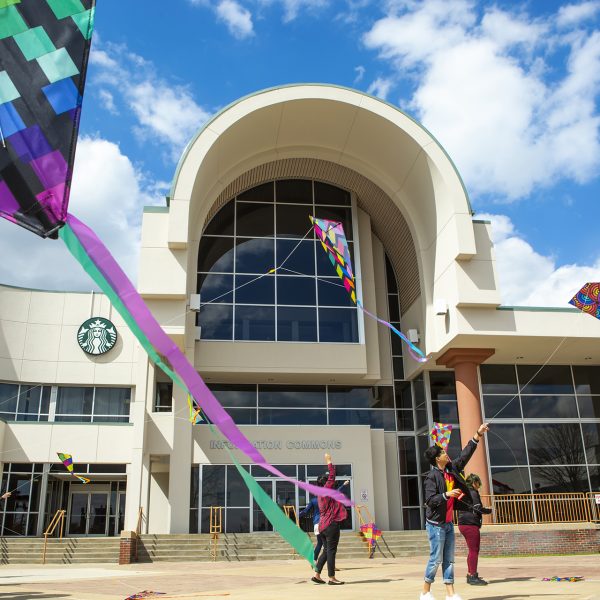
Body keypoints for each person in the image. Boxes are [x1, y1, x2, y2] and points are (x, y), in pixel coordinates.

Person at [420, 423, 489, 600]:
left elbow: (465, 455)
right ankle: (425, 591)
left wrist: (477, 435)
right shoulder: (431, 477)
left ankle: (450, 593)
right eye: (442, 453)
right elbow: (429, 501)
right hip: (435, 525)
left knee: (449, 559)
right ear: (437, 459)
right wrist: (446, 494)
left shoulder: (451, 469)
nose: (446, 454)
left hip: (449, 523)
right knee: (436, 559)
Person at [311, 453, 347, 585]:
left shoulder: (320, 495)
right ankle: (331, 578)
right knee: (331, 551)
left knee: (326, 551)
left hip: (323, 526)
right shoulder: (326, 490)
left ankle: (317, 575)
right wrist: (329, 461)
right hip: (331, 525)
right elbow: (332, 475)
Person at [299, 478, 350, 562]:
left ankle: (314, 561)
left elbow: (305, 511)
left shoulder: (314, 500)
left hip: (317, 524)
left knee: (320, 543)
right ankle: (329, 565)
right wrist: (344, 485)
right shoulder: (328, 499)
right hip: (327, 523)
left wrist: (297, 515)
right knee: (330, 546)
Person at [458, 473, 492, 586]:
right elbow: (477, 508)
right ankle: (473, 576)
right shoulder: (473, 492)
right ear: (473, 483)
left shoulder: (465, 493)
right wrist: (488, 511)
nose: (479, 485)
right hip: (470, 524)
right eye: (478, 483)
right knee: (474, 550)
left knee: (471, 550)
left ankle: (470, 574)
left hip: (463, 524)